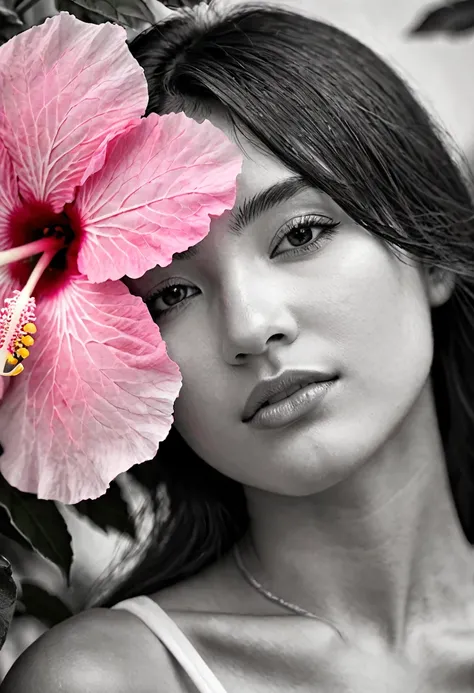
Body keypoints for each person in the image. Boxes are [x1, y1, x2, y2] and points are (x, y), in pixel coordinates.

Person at [2, 3, 474, 691]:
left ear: (428, 254)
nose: (252, 328)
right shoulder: (107, 679)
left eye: (301, 233)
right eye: (170, 293)